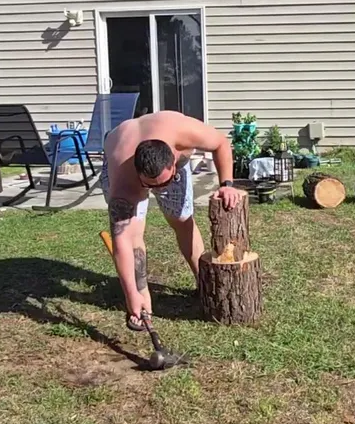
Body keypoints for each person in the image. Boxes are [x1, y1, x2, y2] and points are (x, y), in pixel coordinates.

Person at [100, 110, 247, 330]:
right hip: (122, 156)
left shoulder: (181, 132)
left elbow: (221, 143)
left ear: (174, 160)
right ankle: (142, 301)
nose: (158, 190)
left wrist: (226, 185)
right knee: (134, 236)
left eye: (163, 183)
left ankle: (204, 283)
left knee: (182, 220)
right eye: (151, 185)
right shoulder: (124, 181)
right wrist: (131, 294)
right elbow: (122, 241)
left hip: (166, 155)